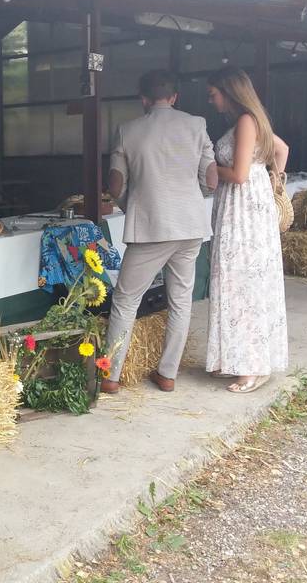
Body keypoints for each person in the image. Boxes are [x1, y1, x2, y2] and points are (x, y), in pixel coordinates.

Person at [102, 70, 217, 394]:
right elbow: (210, 180)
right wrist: (192, 197)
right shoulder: (197, 125)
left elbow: (115, 183)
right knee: (180, 299)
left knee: (125, 300)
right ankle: (167, 374)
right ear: (175, 97)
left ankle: (110, 375)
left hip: (150, 227)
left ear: (143, 99)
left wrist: (132, 204)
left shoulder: (128, 130)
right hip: (190, 226)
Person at [206, 66, 289, 393]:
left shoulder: (245, 122)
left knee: (241, 283)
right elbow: (282, 151)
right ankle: (243, 360)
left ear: (228, 91)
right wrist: (270, 183)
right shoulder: (253, 121)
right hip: (251, 210)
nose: (211, 100)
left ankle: (252, 366)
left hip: (243, 213)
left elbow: (239, 174)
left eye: (213, 94)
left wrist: (211, 169)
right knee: (244, 283)